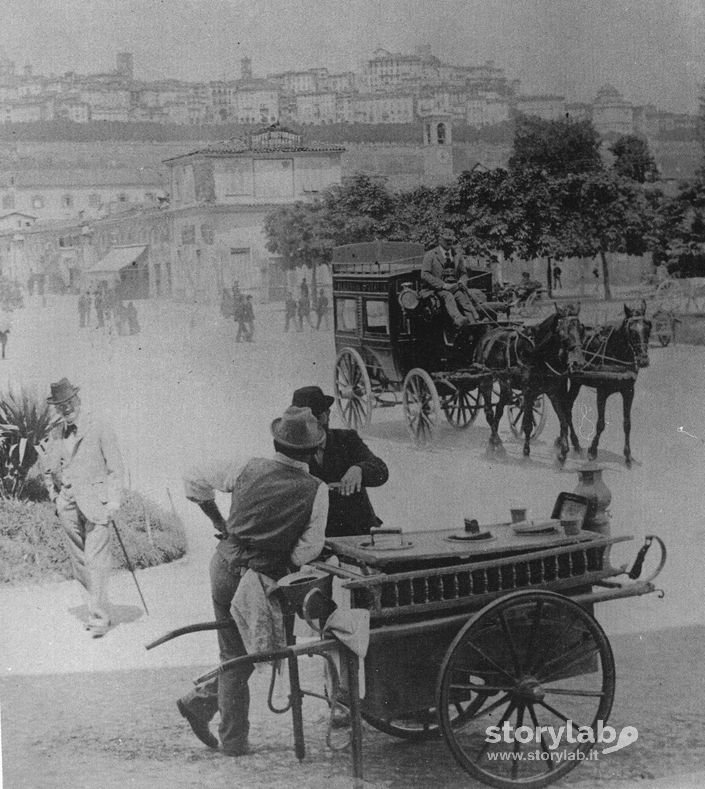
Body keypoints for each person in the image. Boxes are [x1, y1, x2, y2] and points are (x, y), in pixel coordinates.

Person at [175, 406, 328, 756]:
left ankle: (199, 705)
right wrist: (279, 562)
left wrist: (221, 523)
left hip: (223, 567)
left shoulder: (247, 466)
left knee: (236, 653)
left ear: (276, 441)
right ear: (311, 450)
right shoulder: (315, 489)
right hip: (258, 579)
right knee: (242, 656)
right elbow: (309, 547)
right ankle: (231, 740)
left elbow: (194, 479)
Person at [40, 378, 124, 638]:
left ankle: (98, 617)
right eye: (60, 405)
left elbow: (115, 467)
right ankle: (96, 608)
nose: (66, 409)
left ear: (78, 400)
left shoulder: (98, 426)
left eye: (68, 402)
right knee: (79, 562)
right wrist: (55, 497)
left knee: (95, 559)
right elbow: (47, 466)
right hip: (67, 505)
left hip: (96, 503)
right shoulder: (55, 433)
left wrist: (114, 501)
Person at [291, 386, 388, 538]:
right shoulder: (292, 449)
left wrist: (359, 469)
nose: (314, 423)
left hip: (359, 532)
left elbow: (381, 470)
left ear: (328, 414)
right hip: (317, 537)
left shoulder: (347, 439)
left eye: (318, 416)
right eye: (307, 419)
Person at [421, 228, 479, 327]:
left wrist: (462, 282)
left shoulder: (457, 255)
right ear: (440, 240)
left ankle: (474, 324)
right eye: (446, 240)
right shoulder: (430, 255)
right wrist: (443, 285)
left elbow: (463, 273)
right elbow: (425, 275)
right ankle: (459, 320)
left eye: (451, 240)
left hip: (454, 287)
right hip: (435, 289)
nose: (449, 242)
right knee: (448, 296)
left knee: (463, 299)